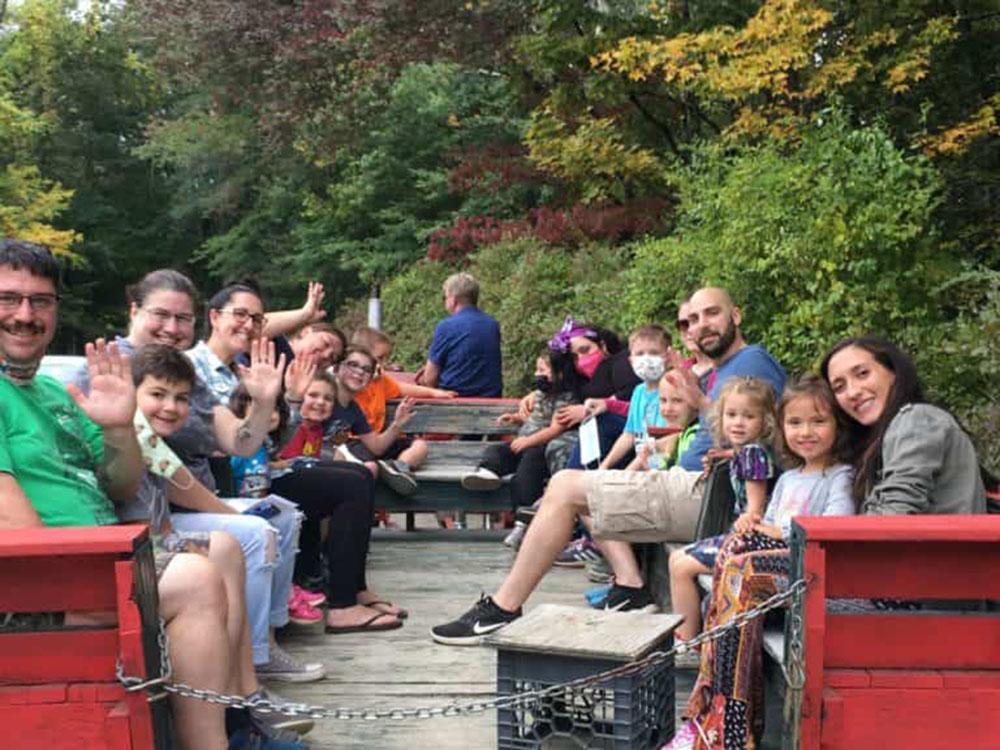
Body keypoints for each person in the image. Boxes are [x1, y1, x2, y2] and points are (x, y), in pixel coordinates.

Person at [0, 241, 303, 749]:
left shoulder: (58, 394)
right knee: (193, 576)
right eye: (9, 299)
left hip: (105, 557)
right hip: (41, 590)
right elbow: (16, 530)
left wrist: (120, 429)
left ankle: (235, 720)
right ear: (134, 313)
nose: (26, 315)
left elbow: (119, 484)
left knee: (222, 549)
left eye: (41, 301)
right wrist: (73, 591)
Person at [669, 342, 987, 750]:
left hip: (919, 598)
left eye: (862, 374)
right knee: (739, 552)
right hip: (899, 584)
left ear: (893, 371)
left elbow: (891, 523)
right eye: (840, 385)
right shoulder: (885, 432)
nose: (852, 391)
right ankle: (719, 723)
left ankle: (723, 728)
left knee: (745, 571)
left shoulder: (917, 420)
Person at [430, 287, 786, 645]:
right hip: (688, 483)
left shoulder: (753, 363)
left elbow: (761, 436)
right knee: (578, 483)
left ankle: (503, 608)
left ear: (736, 316)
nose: (701, 325)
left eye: (712, 314)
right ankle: (626, 586)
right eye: (693, 319)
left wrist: (699, 401)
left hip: (708, 495)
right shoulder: (726, 369)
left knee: (568, 487)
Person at [69, 270, 321, 681]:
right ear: (133, 310)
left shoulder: (183, 370)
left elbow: (240, 442)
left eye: (182, 319)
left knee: (281, 513)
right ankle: (249, 667)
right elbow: (164, 473)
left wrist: (263, 404)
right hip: (137, 520)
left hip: (173, 508)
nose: (171, 328)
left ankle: (262, 651)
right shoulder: (106, 371)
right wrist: (231, 512)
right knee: (254, 533)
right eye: (161, 315)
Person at [130, 344, 315, 738]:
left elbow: (239, 445)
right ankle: (235, 709)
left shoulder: (154, 439)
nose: (170, 407)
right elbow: (136, 515)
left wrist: (265, 402)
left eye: (180, 398)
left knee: (226, 547)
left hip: (158, 540)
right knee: (225, 550)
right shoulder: (129, 436)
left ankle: (242, 697)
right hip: (132, 554)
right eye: (157, 395)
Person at [275, 355, 408, 632]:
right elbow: (284, 435)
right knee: (354, 483)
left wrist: (396, 426)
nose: (320, 403)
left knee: (360, 475)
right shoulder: (292, 419)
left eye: (327, 399)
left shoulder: (319, 429)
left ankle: (356, 588)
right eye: (313, 395)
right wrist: (295, 398)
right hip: (270, 479)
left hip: (293, 476)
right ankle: (343, 605)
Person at [669, 377, 779, 641]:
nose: (738, 423)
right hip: (751, 536)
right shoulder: (747, 452)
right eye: (731, 415)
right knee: (678, 560)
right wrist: (726, 456)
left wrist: (747, 518)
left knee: (680, 565)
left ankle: (685, 639)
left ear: (765, 422)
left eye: (748, 416)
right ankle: (686, 635)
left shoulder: (752, 455)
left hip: (752, 538)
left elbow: (755, 507)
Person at [228, 383, 325, 626]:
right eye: (259, 407)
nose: (269, 414)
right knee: (275, 526)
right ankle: (286, 595)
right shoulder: (237, 446)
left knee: (290, 514)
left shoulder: (263, 445)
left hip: (259, 502)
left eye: (274, 408)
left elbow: (265, 466)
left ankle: (287, 587)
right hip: (240, 508)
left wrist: (280, 464)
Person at [462, 347, 582, 497]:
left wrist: (528, 441)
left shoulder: (566, 399)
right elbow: (537, 420)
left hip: (539, 447)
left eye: (542, 370)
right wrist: (517, 419)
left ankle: (524, 506)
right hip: (523, 444)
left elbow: (554, 429)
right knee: (496, 450)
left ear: (560, 374)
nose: (537, 374)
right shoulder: (540, 394)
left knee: (530, 465)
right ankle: (487, 473)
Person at [417, 272, 502, 397]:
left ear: (453, 300)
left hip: (455, 399)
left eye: (445, 298)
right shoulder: (492, 325)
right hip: (491, 398)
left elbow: (430, 378)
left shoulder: (446, 326)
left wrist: (423, 380)